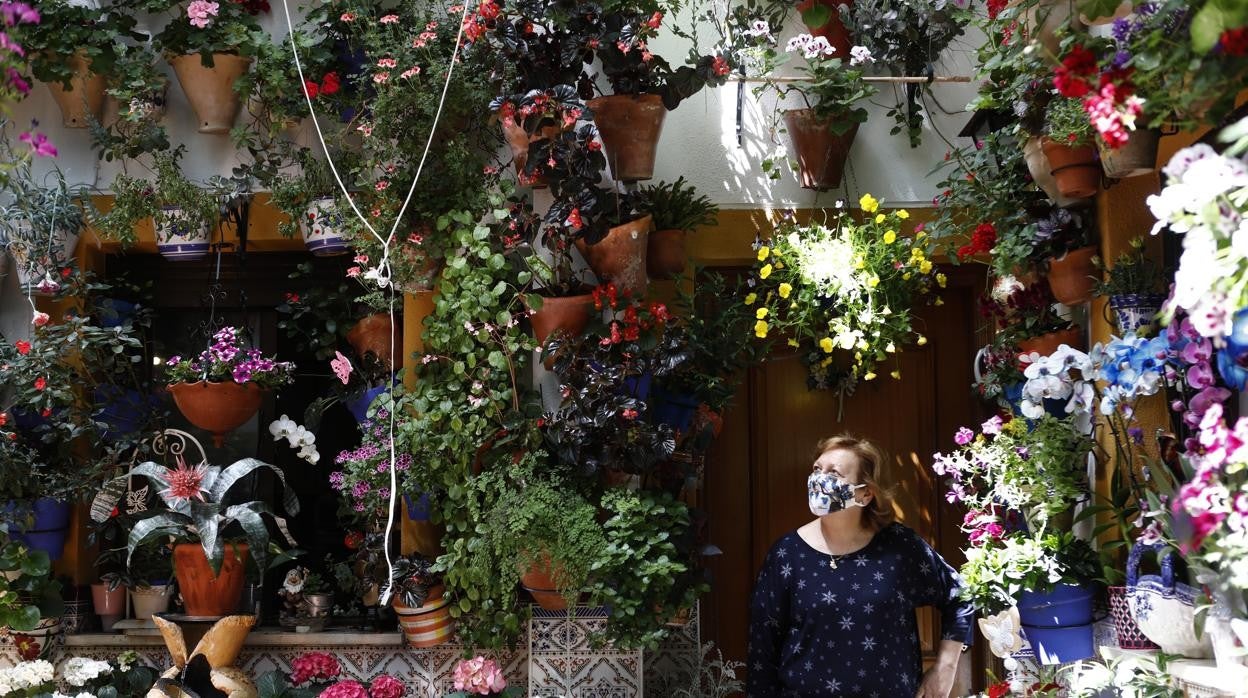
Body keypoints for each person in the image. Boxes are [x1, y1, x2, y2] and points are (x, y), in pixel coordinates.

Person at [747, 435, 974, 697]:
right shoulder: (786, 553)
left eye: (835, 473)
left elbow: (960, 594)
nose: (820, 479)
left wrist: (945, 666)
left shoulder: (900, 547)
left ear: (865, 494)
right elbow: (762, 651)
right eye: (817, 469)